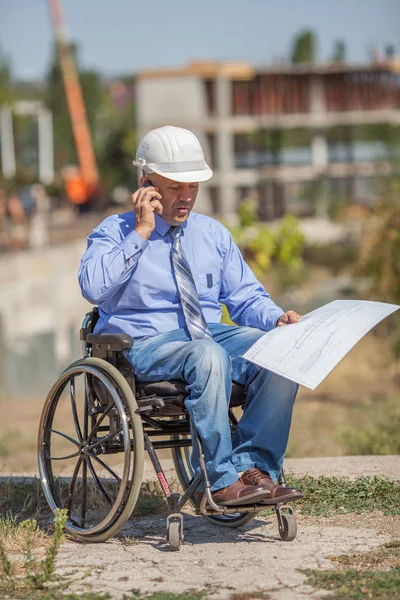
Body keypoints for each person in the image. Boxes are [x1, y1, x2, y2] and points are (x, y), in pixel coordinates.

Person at [79, 126, 303, 507]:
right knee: (207, 354)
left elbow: (246, 297)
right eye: (174, 187)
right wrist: (142, 232)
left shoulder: (213, 235)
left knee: (282, 351)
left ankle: (254, 469)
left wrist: (276, 320)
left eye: (193, 187)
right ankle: (220, 480)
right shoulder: (115, 232)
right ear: (146, 184)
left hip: (206, 335)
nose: (186, 198)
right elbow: (93, 288)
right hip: (143, 345)